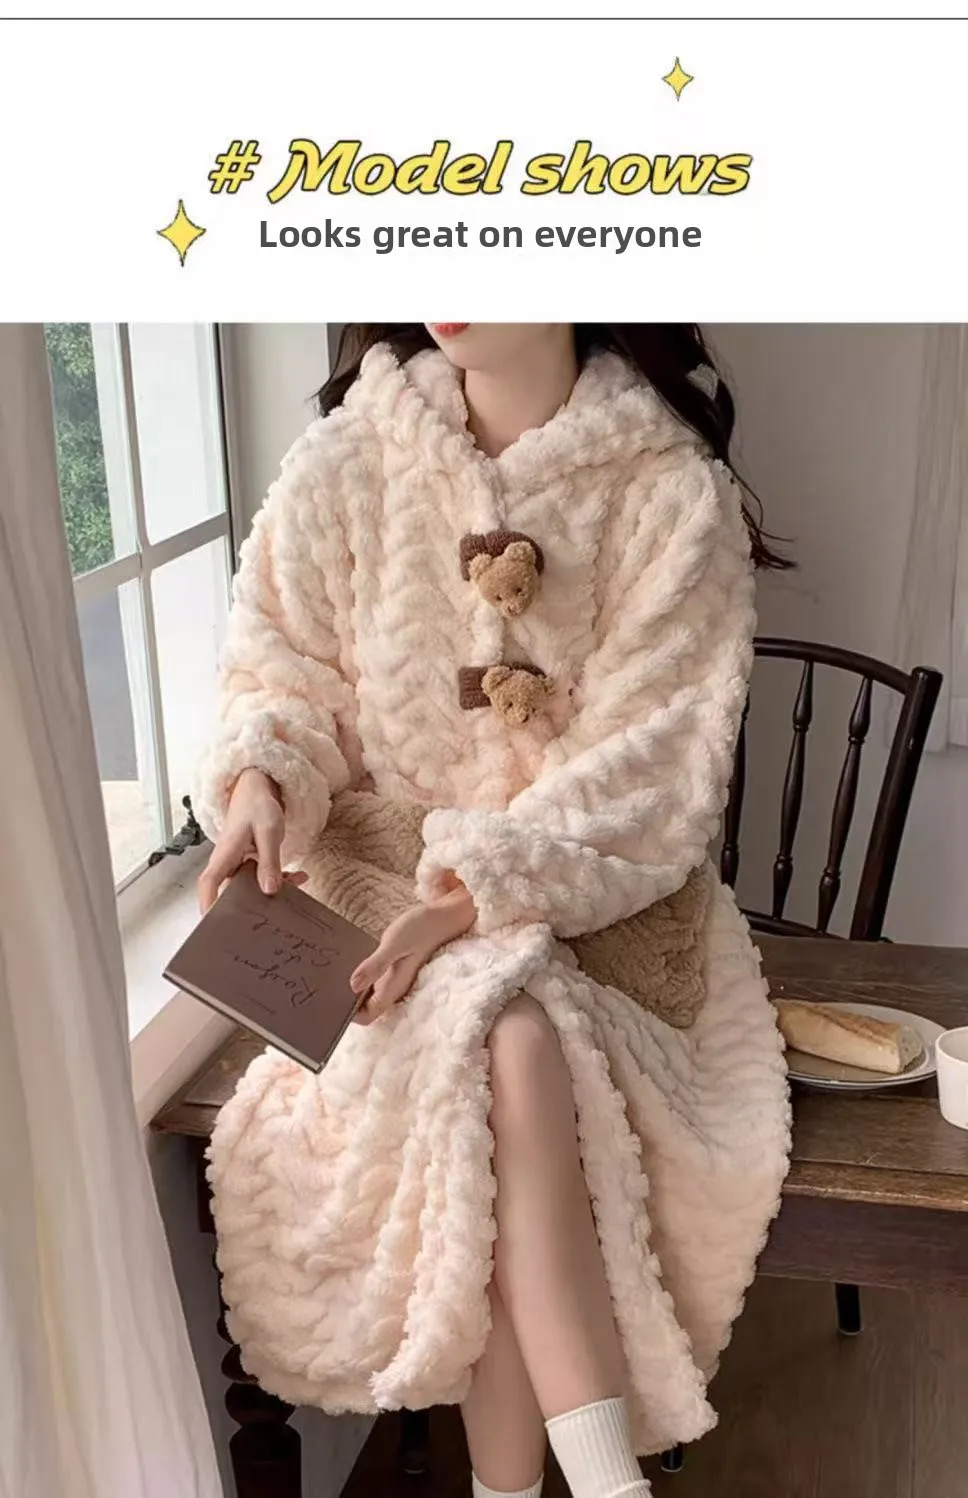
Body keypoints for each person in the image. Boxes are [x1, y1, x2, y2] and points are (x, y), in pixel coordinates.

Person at [194, 323, 791, 1498]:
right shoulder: (347, 459)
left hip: (602, 904)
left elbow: (651, 768)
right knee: (505, 1046)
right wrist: (262, 777)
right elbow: (278, 670)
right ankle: (604, 1483)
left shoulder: (670, 490)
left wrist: (474, 896)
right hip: (374, 888)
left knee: (510, 1040)